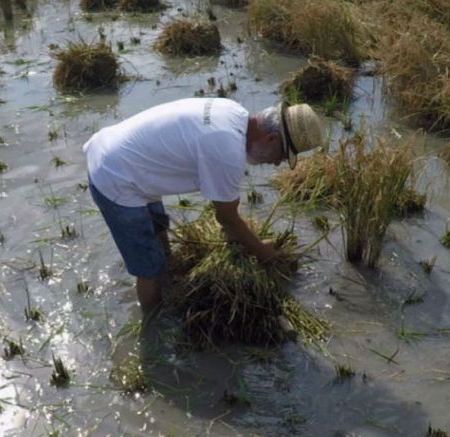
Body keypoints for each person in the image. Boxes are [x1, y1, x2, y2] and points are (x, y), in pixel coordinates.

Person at [84, 97, 323, 313]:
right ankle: (153, 327)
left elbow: (228, 220)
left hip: (123, 153)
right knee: (149, 268)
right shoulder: (227, 150)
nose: (277, 163)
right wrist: (263, 253)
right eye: (282, 155)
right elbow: (227, 219)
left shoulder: (233, 112)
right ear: (271, 139)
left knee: (158, 233)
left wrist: (244, 241)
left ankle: (166, 289)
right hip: (115, 176)